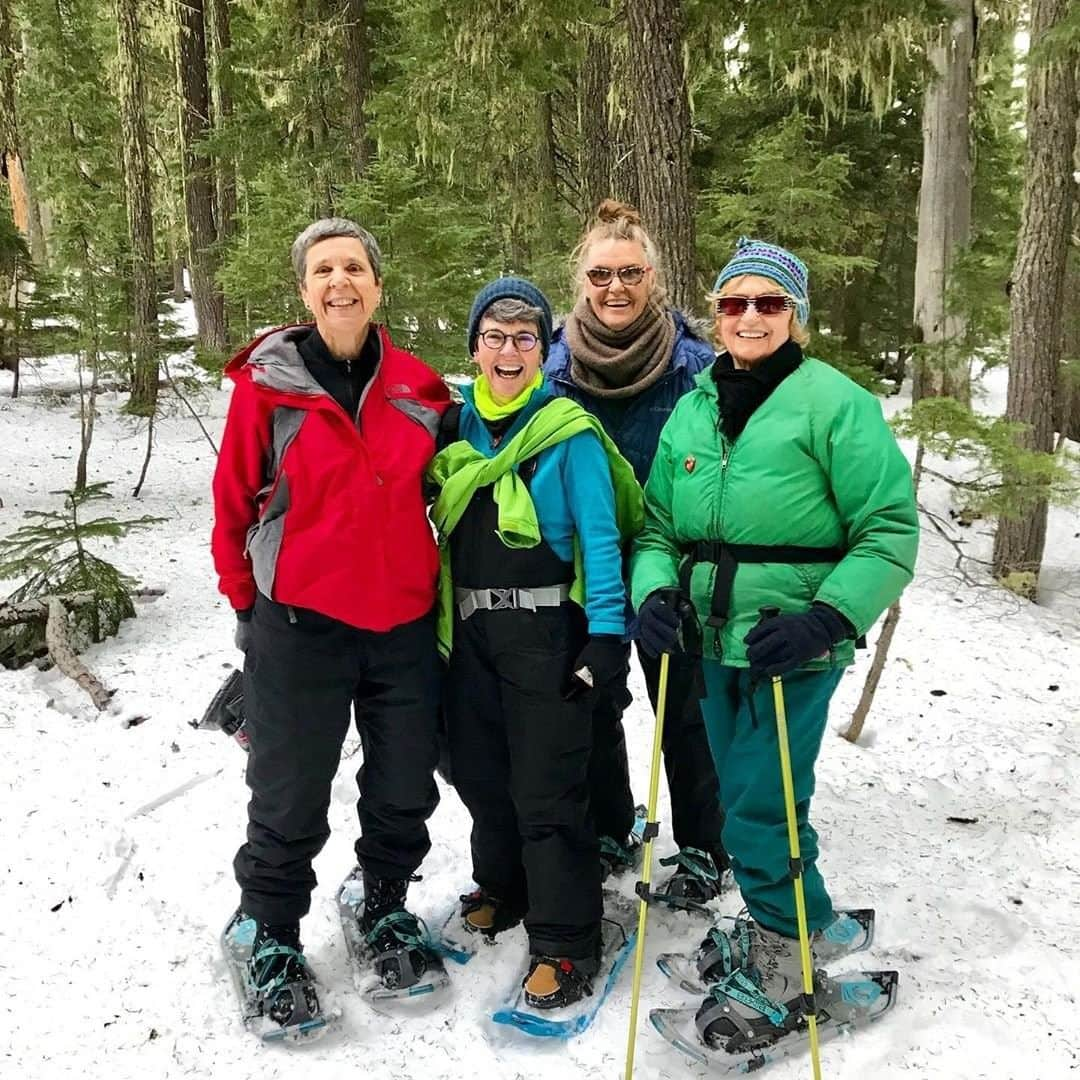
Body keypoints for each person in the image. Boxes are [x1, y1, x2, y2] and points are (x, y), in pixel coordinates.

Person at [630, 237, 918, 1047]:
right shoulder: (693, 404)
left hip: (794, 645)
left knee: (759, 810)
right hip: (710, 642)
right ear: (715, 316)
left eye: (769, 303)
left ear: (797, 316)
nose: (749, 316)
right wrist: (657, 590)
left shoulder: (835, 404)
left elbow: (888, 529)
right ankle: (800, 921)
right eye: (733, 303)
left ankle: (785, 979)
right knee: (756, 799)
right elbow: (658, 525)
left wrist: (828, 618)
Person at [211, 218, 450, 1028]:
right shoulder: (266, 386)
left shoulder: (420, 388)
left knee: (403, 781)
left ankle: (383, 900)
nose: (340, 281)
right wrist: (247, 603)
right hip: (297, 623)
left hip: (403, 625)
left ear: (378, 287)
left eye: (354, 267)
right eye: (324, 270)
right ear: (306, 290)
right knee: (288, 788)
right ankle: (270, 930)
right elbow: (233, 499)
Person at [427, 277, 642, 1009]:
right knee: (482, 775)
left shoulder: (567, 429)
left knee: (547, 790)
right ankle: (502, 887)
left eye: (526, 336)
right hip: (471, 629)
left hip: (547, 631)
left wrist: (609, 637)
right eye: (495, 335)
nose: (509, 349)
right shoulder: (455, 430)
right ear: (475, 348)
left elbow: (602, 538)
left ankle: (565, 940)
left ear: (545, 349)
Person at [544, 200, 729, 906]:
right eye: (601, 274)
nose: (615, 287)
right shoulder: (553, 365)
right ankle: (609, 826)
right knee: (593, 702)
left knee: (683, 708)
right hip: (584, 570)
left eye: (629, 273)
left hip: (672, 568)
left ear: (653, 276)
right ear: (581, 280)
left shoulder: (693, 367)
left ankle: (707, 847)